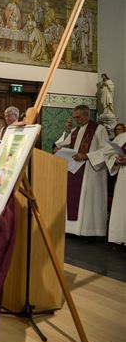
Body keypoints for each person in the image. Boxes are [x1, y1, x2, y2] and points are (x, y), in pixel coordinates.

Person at [54, 105, 108, 241]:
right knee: (74, 199)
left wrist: (87, 156)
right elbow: (61, 145)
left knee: (88, 202)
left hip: (91, 172)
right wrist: (65, 134)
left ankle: (89, 231)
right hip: (74, 170)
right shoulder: (75, 131)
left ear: (86, 115)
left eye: (78, 117)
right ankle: (72, 230)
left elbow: (107, 150)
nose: (76, 120)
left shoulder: (99, 130)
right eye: (75, 117)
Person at [104, 131, 126, 247]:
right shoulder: (122, 137)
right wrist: (116, 160)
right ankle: (121, 238)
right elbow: (108, 153)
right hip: (123, 177)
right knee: (122, 208)